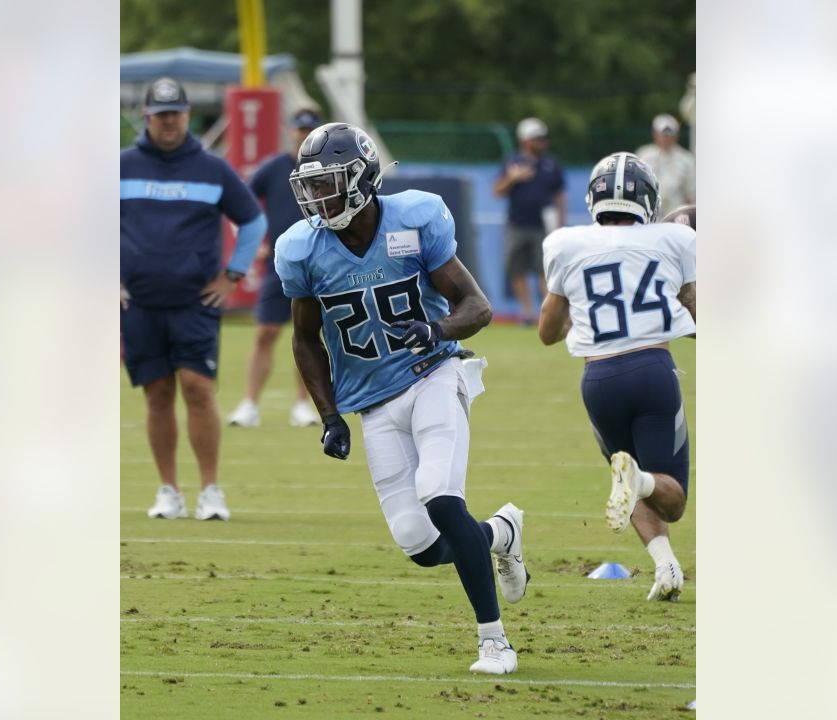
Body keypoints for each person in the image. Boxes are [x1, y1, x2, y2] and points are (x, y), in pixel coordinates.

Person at [276, 122, 530, 674]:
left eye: (330, 183)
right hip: (372, 401)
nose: (318, 197)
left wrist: (437, 331)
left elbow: (477, 306)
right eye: (311, 185)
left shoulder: (414, 219)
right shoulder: (302, 250)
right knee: (418, 543)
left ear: (363, 178)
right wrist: (329, 415)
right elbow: (303, 337)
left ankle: (494, 641)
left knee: (441, 498)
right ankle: (500, 533)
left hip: (434, 374)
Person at [537, 152, 696, 602]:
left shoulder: (566, 243)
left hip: (599, 380)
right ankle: (641, 481)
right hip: (652, 371)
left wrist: (584, 316)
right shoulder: (675, 238)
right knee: (670, 495)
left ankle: (666, 567)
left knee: (630, 473)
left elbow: (547, 333)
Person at [120, 77, 267, 521]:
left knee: (198, 389)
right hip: (140, 303)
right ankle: (169, 491)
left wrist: (233, 276)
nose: (170, 122)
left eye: (177, 113)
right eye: (161, 114)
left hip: (194, 303)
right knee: (158, 394)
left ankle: (210, 491)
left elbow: (254, 222)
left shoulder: (212, 168)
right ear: (147, 116)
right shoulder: (121, 165)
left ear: (187, 116)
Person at [225, 109, 326, 429]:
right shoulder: (274, 168)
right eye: (300, 129)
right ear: (291, 132)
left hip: (322, 264)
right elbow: (240, 204)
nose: (303, 135)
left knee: (309, 333)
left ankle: (304, 404)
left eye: (310, 130)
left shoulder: (329, 169)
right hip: (280, 265)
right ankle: (250, 404)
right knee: (265, 333)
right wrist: (253, 244)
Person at [493, 117, 566, 325]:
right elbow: (497, 191)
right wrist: (513, 178)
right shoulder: (512, 162)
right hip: (517, 224)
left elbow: (560, 195)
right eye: (538, 139)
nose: (543, 143)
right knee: (518, 270)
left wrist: (560, 222)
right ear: (525, 140)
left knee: (545, 271)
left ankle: (548, 314)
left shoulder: (551, 164)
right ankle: (527, 314)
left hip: (543, 226)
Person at [636, 114, 696, 212]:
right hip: (649, 217)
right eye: (663, 134)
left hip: (677, 216)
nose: (665, 138)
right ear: (655, 134)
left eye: (669, 134)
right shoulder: (643, 156)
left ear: (676, 135)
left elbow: (692, 194)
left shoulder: (687, 160)